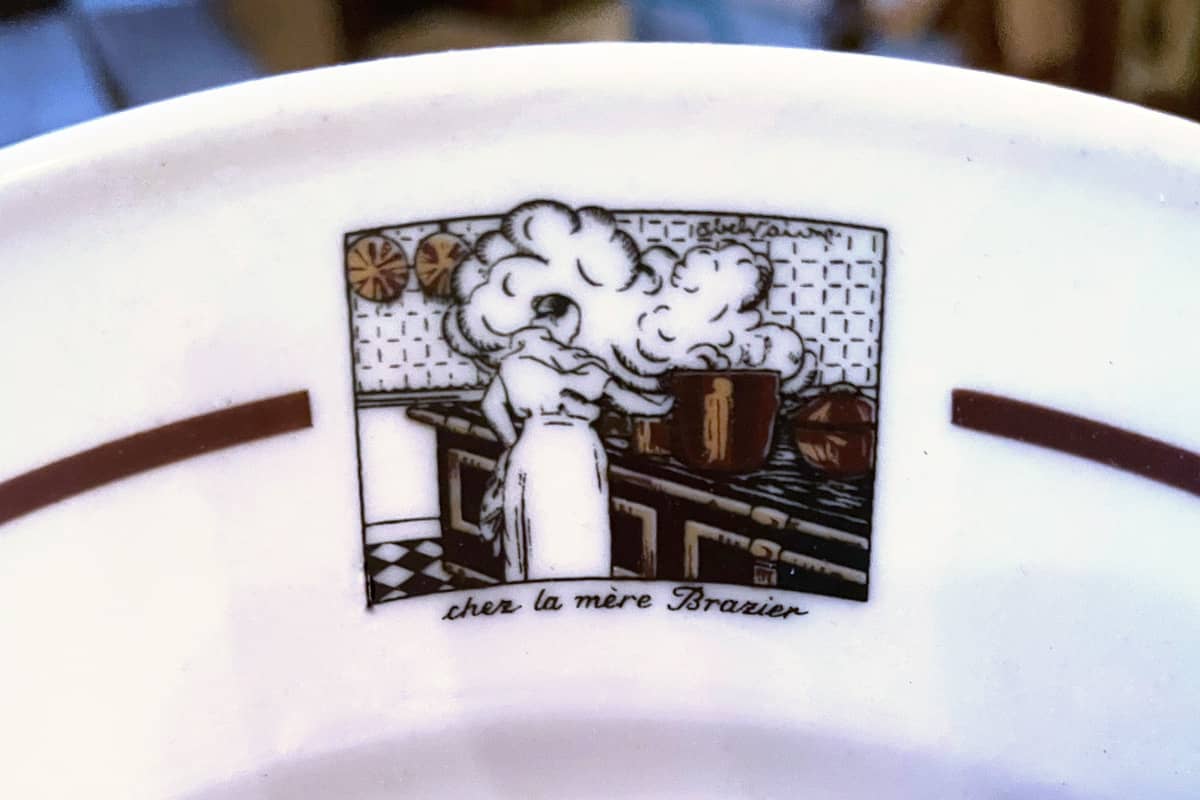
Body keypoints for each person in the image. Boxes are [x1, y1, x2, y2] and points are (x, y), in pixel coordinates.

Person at [478, 294, 672, 582]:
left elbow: (490, 405)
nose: (574, 333)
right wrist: (669, 403)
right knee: (580, 534)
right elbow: (632, 402)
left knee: (534, 533)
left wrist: (511, 443)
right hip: (578, 452)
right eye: (574, 325)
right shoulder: (581, 362)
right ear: (559, 321)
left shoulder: (513, 360)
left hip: (532, 448)